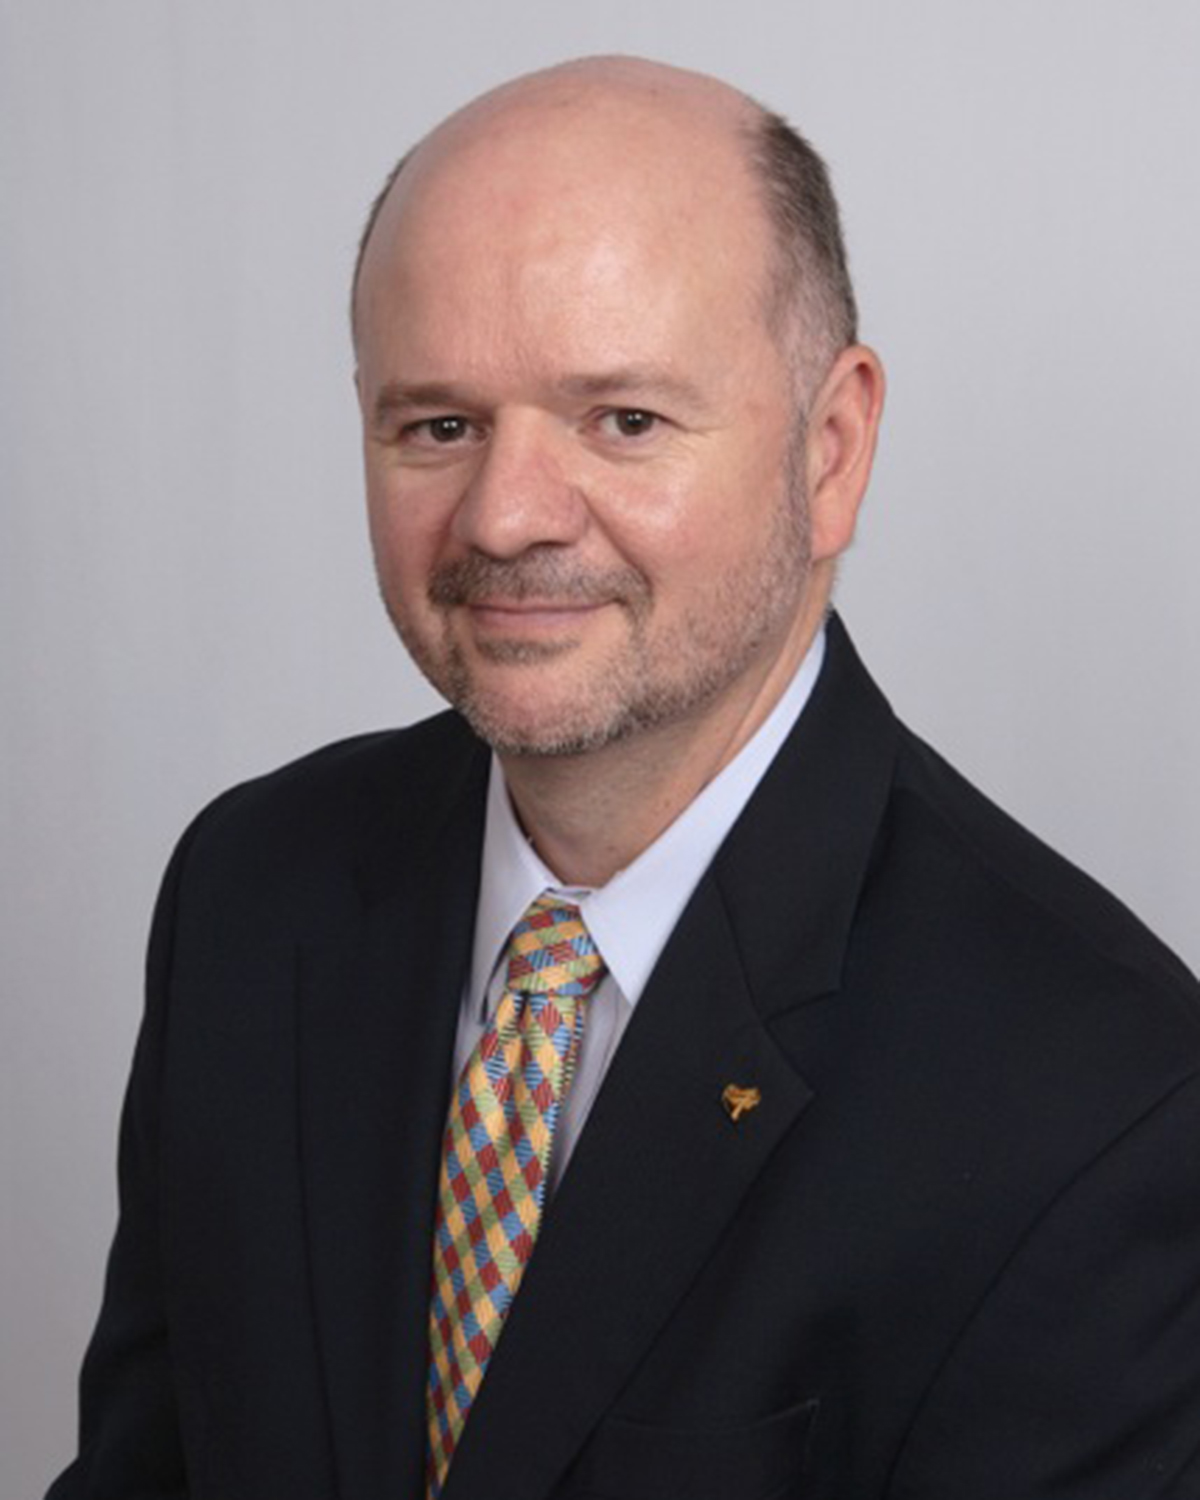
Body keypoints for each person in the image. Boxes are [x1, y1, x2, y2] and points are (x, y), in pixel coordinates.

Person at [48, 55, 1200, 1500]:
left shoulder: (1105, 1108)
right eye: (440, 425)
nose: (507, 517)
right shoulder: (250, 891)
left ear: (830, 450)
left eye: (624, 420)